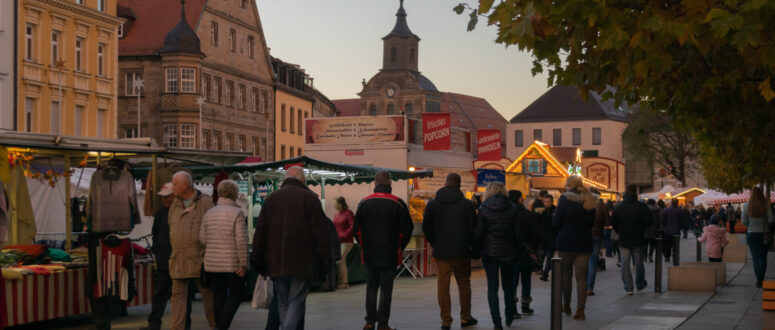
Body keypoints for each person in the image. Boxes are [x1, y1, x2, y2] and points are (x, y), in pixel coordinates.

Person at [252, 166, 332, 329]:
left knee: (283, 301)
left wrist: (258, 260)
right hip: (301, 262)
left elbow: (260, 232)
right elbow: (321, 233)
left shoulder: (271, 199)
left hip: (276, 261)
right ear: (303, 181)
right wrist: (325, 260)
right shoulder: (309, 198)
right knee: (296, 300)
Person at [354, 171, 413, 330]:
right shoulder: (398, 203)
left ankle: (369, 321)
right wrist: (400, 246)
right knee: (386, 289)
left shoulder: (364, 203)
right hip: (390, 253)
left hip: (369, 254)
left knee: (371, 287)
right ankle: (383, 323)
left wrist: (363, 244)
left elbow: (356, 228)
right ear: (390, 184)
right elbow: (408, 228)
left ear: (374, 184)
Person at [422, 173, 478, 330]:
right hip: (461, 250)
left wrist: (435, 242)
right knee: (464, 283)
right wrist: (470, 245)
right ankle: (466, 317)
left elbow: (427, 227)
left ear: (445, 184)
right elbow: (473, 228)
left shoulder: (433, 204)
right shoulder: (467, 205)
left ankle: (446, 320)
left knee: (442, 284)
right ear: (459, 185)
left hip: (441, 250)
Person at [166, 172, 216, 330]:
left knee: (208, 295)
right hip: (178, 260)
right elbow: (170, 225)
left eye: (175, 184)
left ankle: (215, 325)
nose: (172, 187)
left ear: (185, 185)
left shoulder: (205, 203)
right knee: (178, 297)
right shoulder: (174, 203)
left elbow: (212, 231)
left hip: (199, 260)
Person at [141, 183, 193, 330]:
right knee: (161, 292)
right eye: (163, 197)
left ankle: (185, 323)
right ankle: (154, 322)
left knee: (182, 295)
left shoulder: (183, 211)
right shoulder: (160, 213)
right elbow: (156, 234)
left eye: (167, 197)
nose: (164, 200)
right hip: (164, 259)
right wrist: (157, 251)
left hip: (180, 259)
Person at [199, 180, 248, 330]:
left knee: (218, 295)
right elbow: (241, 240)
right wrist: (244, 263)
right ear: (234, 194)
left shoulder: (209, 213)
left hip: (212, 264)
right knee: (237, 293)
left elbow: (202, 238)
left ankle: (220, 326)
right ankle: (221, 327)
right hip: (231, 264)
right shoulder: (237, 213)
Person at [473, 182, 518, 329]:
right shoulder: (512, 208)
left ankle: (496, 321)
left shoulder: (484, 208)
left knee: (492, 287)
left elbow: (479, 233)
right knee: (508, 286)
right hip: (509, 251)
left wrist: (475, 250)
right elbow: (517, 232)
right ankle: (509, 315)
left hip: (490, 252)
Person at [552, 176, 596, 321]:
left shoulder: (564, 200)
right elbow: (591, 223)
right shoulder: (589, 199)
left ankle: (566, 305)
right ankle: (581, 310)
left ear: (570, 185)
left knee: (565, 275)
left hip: (566, 242)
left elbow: (556, 222)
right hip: (584, 243)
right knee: (581, 278)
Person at [611, 184, 652, 295]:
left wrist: (620, 231)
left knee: (625, 263)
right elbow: (649, 220)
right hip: (638, 237)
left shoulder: (619, 206)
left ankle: (628, 287)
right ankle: (639, 283)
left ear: (625, 192)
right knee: (639, 262)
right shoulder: (641, 206)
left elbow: (614, 221)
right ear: (636, 193)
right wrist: (641, 228)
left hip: (624, 238)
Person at [508, 190, 537, 317]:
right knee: (526, 280)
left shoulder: (507, 214)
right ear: (520, 199)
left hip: (511, 253)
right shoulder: (528, 214)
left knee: (512, 282)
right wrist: (533, 249)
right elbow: (535, 234)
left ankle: (512, 309)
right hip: (526, 252)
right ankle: (525, 306)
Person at [742, 186, 772, 288]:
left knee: (755, 258)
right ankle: (762, 277)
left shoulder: (746, 206)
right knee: (763, 257)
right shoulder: (766, 205)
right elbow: (771, 220)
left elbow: (744, 221)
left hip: (751, 234)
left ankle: (758, 279)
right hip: (764, 234)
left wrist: (750, 226)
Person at [586, 189, 610, 296]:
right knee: (593, 261)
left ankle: (582, 285)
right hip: (597, 236)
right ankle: (589, 287)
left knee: (583, 261)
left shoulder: (584, 204)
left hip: (584, 236)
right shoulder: (601, 206)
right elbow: (608, 221)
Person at [333, 196, 355, 289]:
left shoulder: (349, 213)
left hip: (347, 241)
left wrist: (344, 235)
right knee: (342, 261)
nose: (334, 205)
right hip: (338, 241)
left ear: (340, 204)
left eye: (335, 203)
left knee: (340, 259)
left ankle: (342, 281)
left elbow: (352, 226)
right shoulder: (337, 214)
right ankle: (344, 282)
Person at [538, 194, 557, 282]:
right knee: (542, 255)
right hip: (543, 238)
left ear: (552, 202)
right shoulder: (542, 211)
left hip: (552, 237)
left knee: (549, 256)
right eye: (545, 202)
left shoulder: (555, 211)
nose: (546, 203)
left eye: (548, 202)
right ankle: (541, 269)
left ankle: (545, 273)